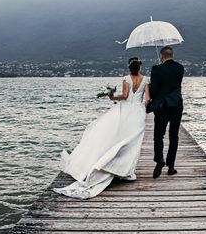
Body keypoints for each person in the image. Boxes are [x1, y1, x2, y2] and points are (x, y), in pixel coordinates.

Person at [54, 57, 150, 198]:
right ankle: (127, 171)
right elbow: (147, 99)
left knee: (118, 138)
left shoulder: (126, 78)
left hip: (125, 111)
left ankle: (116, 166)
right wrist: (143, 109)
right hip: (138, 113)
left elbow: (124, 96)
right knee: (133, 143)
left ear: (129, 69)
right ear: (140, 68)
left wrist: (111, 97)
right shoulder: (146, 80)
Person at [147, 46, 184, 179]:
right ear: (172, 55)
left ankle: (160, 159)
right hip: (177, 105)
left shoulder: (156, 69)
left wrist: (149, 88)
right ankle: (171, 167)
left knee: (158, 135)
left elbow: (155, 90)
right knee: (174, 136)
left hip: (162, 106)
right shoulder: (180, 68)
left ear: (162, 56)